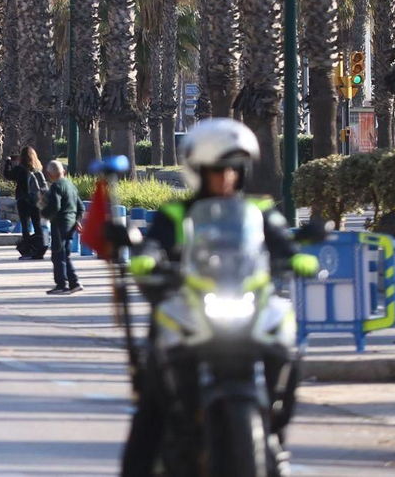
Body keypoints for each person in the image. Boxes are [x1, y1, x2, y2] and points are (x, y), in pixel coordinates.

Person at [121, 117, 316, 477]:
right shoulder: (175, 213)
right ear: (198, 170)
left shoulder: (258, 212)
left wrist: (298, 255)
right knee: (151, 403)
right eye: (217, 170)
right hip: (190, 309)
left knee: (288, 349)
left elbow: (281, 241)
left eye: (233, 170)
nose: (227, 178)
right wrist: (147, 256)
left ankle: (275, 434)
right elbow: (153, 242)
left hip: (245, 306)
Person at [41, 159, 81, 295]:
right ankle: (74, 282)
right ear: (63, 171)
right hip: (71, 223)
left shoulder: (56, 187)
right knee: (66, 254)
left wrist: (44, 213)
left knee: (58, 254)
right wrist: (77, 221)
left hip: (59, 223)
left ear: (49, 174)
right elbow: (80, 206)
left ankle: (61, 284)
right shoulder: (71, 185)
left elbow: (55, 206)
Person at [12, 146, 48, 259]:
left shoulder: (20, 169)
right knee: (37, 225)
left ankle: (27, 250)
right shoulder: (38, 170)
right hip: (36, 201)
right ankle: (40, 249)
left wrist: (8, 162)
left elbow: (8, 175)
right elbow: (44, 186)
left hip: (23, 200)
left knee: (26, 225)